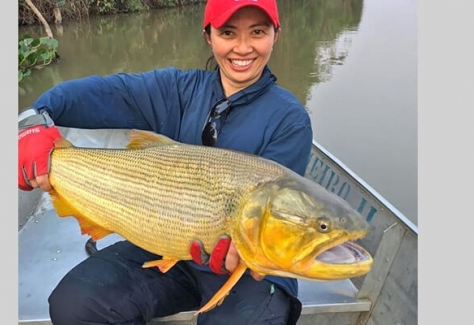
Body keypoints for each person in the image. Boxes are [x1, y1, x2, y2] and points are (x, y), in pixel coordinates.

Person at [18, 0, 313, 324]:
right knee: (74, 303)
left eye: (257, 32)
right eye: (228, 32)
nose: (242, 47)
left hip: (251, 272)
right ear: (208, 36)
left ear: (276, 34)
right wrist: (34, 120)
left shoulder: (290, 120)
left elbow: (277, 219)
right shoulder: (176, 89)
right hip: (164, 243)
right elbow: (101, 93)